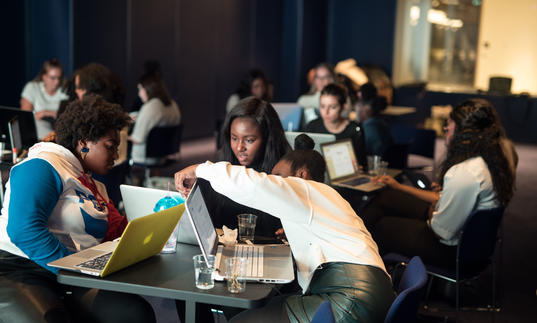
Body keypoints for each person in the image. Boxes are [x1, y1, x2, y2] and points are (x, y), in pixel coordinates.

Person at [174, 149, 395, 323]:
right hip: (369, 292)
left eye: (278, 176)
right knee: (256, 308)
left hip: (349, 300)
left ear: (301, 174)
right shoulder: (326, 196)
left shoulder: (308, 189)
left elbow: (257, 186)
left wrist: (202, 169)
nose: (274, 180)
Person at [0, 95, 155, 322]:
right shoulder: (43, 164)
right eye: (110, 147)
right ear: (83, 143)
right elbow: (23, 230)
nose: (116, 156)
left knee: (133, 314)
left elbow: (118, 231)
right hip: (20, 269)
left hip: (71, 273)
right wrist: (74, 270)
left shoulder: (91, 182)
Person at [361, 98, 515, 267]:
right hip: (472, 242)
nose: (445, 130)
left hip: (452, 251)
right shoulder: (493, 159)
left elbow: (440, 231)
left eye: (449, 126)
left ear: (464, 134)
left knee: (382, 226)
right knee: (387, 197)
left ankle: (373, 271)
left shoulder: (465, 173)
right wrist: (438, 199)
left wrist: (435, 207)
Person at [305, 83, 367, 169]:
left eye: (332, 107)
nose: (326, 112)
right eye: (322, 106)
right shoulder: (312, 126)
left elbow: (361, 165)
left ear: (343, 107)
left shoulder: (355, 130)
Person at [128, 73, 181, 166]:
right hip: (164, 155)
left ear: (149, 89)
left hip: (144, 157)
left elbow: (137, 139)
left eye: (140, 89)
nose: (139, 94)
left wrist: (123, 136)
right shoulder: (173, 104)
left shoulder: (150, 107)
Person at [20, 59, 69, 139]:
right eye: (53, 78)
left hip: (60, 128)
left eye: (59, 78)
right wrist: (47, 114)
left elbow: (68, 116)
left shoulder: (65, 90)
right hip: (38, 130)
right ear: (44, 77)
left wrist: (45, 113)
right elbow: (26, 117)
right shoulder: (32, 88)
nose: (57, 82)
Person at [355, 82, 394, 158]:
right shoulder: (381, 123)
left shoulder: (370, 127)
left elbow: (375, 156)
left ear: (367, 108)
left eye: (356, 110)